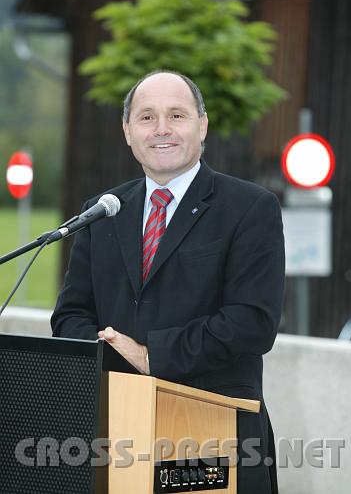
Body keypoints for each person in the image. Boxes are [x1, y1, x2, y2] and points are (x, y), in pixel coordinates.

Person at [51, 70, 285, 493]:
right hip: (113, 439)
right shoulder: (102, 211)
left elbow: (252, 322)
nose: (161, 129)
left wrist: (151, 356)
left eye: (176, 115)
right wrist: (117, 361)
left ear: (203, 125)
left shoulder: (250, 208)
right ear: (126, 131)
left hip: (215, 441)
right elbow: (70, 316)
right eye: (146, 117)